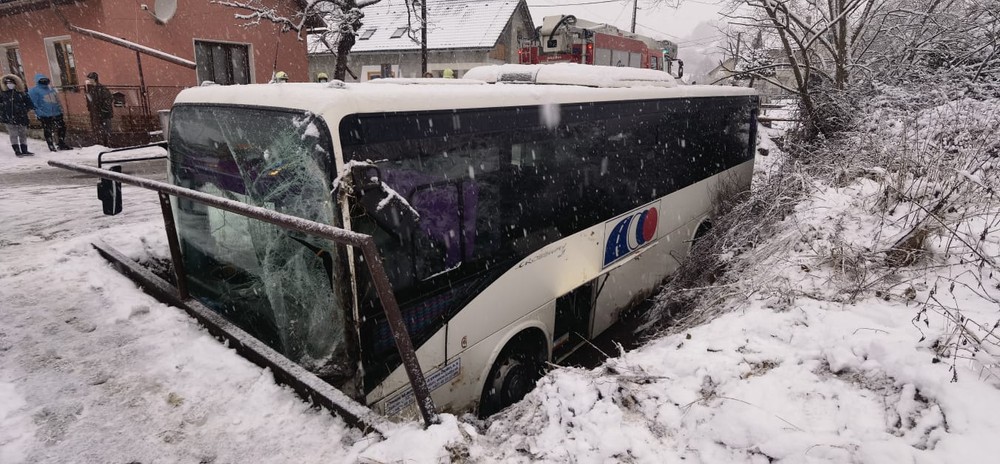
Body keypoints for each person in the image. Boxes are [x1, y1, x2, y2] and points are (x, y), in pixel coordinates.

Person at [28, 73, 69, 151]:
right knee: (48, 130)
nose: (44, 82)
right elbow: (34, 103)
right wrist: (39, 113)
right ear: (38, 81)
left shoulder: (51, 89)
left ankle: (61, 143)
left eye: (45, 80)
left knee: (62, 127)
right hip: (45, 114)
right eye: (42, 80)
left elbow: (57, 100)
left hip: (56, 112)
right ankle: (50, 145)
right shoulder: (34, 91)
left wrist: (61, 109)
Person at [1, 74, 34, 157]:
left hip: (21, 117)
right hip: (9, 118)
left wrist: (23, 110)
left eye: (11, 82)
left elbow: (30, 104)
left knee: (23, 134)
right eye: (7, 83)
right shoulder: (3, 94)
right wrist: (4, 113)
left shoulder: (22, 94)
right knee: (13, 135)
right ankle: (17, 151)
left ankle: (24, 150)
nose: (9, 84)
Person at [85, 72, 114, 146]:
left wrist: (103, 108)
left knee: (106, 129)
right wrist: (90, 108)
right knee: (98, 129)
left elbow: (108, 99)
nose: (88, 80)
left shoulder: (102, 89)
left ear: (94, 79)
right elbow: (90, 100)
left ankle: (107, 144)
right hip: (96, 113)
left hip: (104, 113)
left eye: (90, 79)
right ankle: (101, 144)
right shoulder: (91, 89)